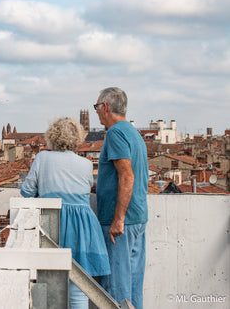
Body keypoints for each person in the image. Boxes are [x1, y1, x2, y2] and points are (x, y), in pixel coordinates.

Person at [20, 117, 110, 309]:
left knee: (47, 287)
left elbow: (27, 191)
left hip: (53, 225)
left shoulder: (42, 158)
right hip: (83, 228)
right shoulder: (86, 164)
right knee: (78, 289)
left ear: (52, 136)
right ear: (77, 138)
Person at [94, 87, 148, 309]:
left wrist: (118, 219)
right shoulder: (133, 132)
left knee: (117, 290)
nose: (97, 112)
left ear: (105, 107)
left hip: (121, 222)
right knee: (134, 287)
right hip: (138, 218)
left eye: (97, 107)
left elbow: (127, 176)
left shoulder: (115, 133)